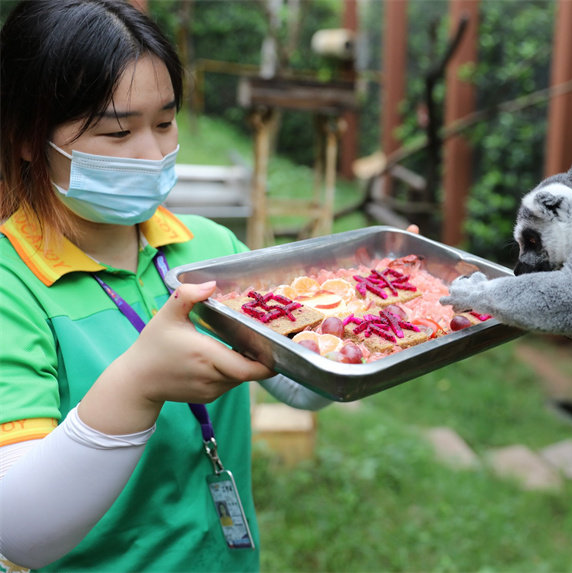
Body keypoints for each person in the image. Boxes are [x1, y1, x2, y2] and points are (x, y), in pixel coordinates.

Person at [0, 1, 331, 570]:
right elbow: (19, 531)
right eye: (118, 131)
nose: (153, 155)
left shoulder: (210, 249)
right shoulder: (12, 287)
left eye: (165, 122)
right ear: (28, 136)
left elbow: (305, 388)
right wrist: (138, 383)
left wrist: (368, 317)